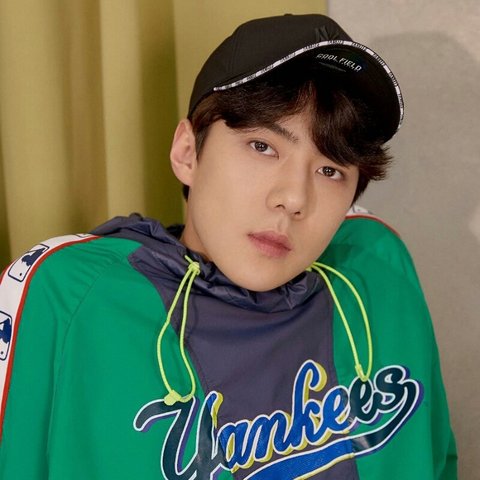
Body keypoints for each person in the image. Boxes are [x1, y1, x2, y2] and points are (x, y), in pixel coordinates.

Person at [0, 13, 456, 480]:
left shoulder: (376, 270)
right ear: (187, 152)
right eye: (262, 146)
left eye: (330, 170)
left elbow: (436, 461)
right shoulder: (73, 296)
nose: (294, 198)